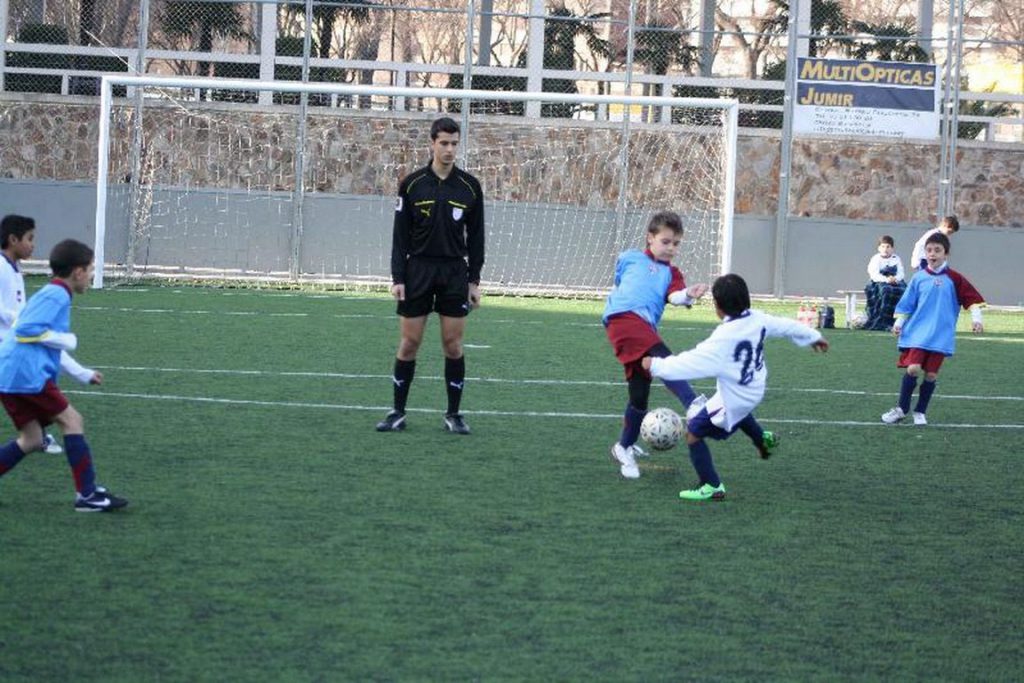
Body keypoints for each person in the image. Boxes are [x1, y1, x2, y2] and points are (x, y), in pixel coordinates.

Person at [642, 273, 829, 501]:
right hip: (753, 386)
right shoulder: (758, 318)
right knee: (728, 408)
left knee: (693, 432)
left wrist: (655, 365)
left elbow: (689, 363)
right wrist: (813, 336)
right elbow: (786, 325)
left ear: (717, 306)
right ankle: (762, 439)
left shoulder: (723, 338)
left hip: (738, 396)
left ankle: (711, 486)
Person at [0, 239, 127, 511]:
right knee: (72, 421)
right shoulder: (57, 294)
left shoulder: (54, 292)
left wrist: (81, 373)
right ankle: (87, 494)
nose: (92, 275)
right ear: (77, 272)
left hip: (11, 374)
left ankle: (88, 492)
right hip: (26, 376)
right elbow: (26, 331)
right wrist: (67, 340)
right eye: (91, 269)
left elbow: (42, 339)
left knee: (32, 440)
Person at [376, 117, 485, 435]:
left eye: (454, 143)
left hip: (454, 272)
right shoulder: (412, 184)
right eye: (444, 143)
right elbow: (399, 236)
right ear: (432, 143)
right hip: (418, 270)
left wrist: (474, 280)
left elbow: (476, 237)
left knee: (453, 345)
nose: (450, 149)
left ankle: (454, 414)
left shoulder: (469, 187)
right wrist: (398, 277)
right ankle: (397, 412)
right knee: (409, 343)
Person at [602, 211, 712, 478]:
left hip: (643, 329)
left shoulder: (672, 273)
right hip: (622, 320)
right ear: (650, 238)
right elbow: (619, 284)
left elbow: (674, 297)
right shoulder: (629, 257)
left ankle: (624, 446)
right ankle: (693, 402)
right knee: (662, 356)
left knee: (639, 396)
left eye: (676, 244)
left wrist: (688, 294)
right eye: (665, 241)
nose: (671, 248)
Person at [1, 214, 95, 455]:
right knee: (67, 416)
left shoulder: (13, 269)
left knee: (41, 385)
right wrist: (19, 320)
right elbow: (21, 322)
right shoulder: (2, 267)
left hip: (17, 345)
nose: (33, 244)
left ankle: (38, 435)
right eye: (30, 238)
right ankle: (86, 492)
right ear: (13, 239)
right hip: (12, 348)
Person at [881, 232, 984, 426]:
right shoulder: (919, 278)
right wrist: (899, 323)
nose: (932, 254)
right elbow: (907, 304)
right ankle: (902, 409)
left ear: (946, 254)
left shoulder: (955, 279)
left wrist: (976, 319)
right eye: (929, 250)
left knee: (931, 375)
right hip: (918, 333)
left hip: (940, 335)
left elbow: (972, 299)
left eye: (937, 250)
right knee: (912, 369)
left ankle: (920, 412)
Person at [862, 235, 906, 331]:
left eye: (888, 247)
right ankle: (882, 320)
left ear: (892, 248)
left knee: (904, 291)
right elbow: (874, 275)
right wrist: (887, 280)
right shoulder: (875, 259)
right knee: (886, 291)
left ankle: (899, 320)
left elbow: (901, 273)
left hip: (895, 281)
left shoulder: (896, 259)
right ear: (879, 248)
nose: (885, 249)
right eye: (883, 246)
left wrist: (895, 279)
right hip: (879, 282)